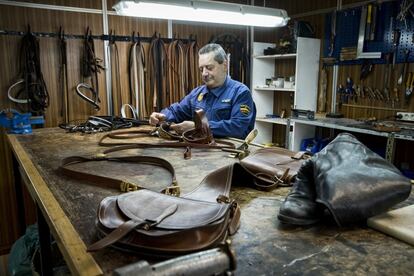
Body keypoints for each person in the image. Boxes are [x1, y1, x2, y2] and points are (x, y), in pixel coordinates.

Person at [149, 43, 256, 139]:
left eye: (209, 67)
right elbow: (176, 111)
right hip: (202, 152)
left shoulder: (240, 93)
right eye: (201, 69)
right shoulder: (197, 94)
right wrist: (162, 116)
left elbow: (237, 127)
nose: (204, 73)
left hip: (230, 153)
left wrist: (198, 127)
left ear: (225, 65)